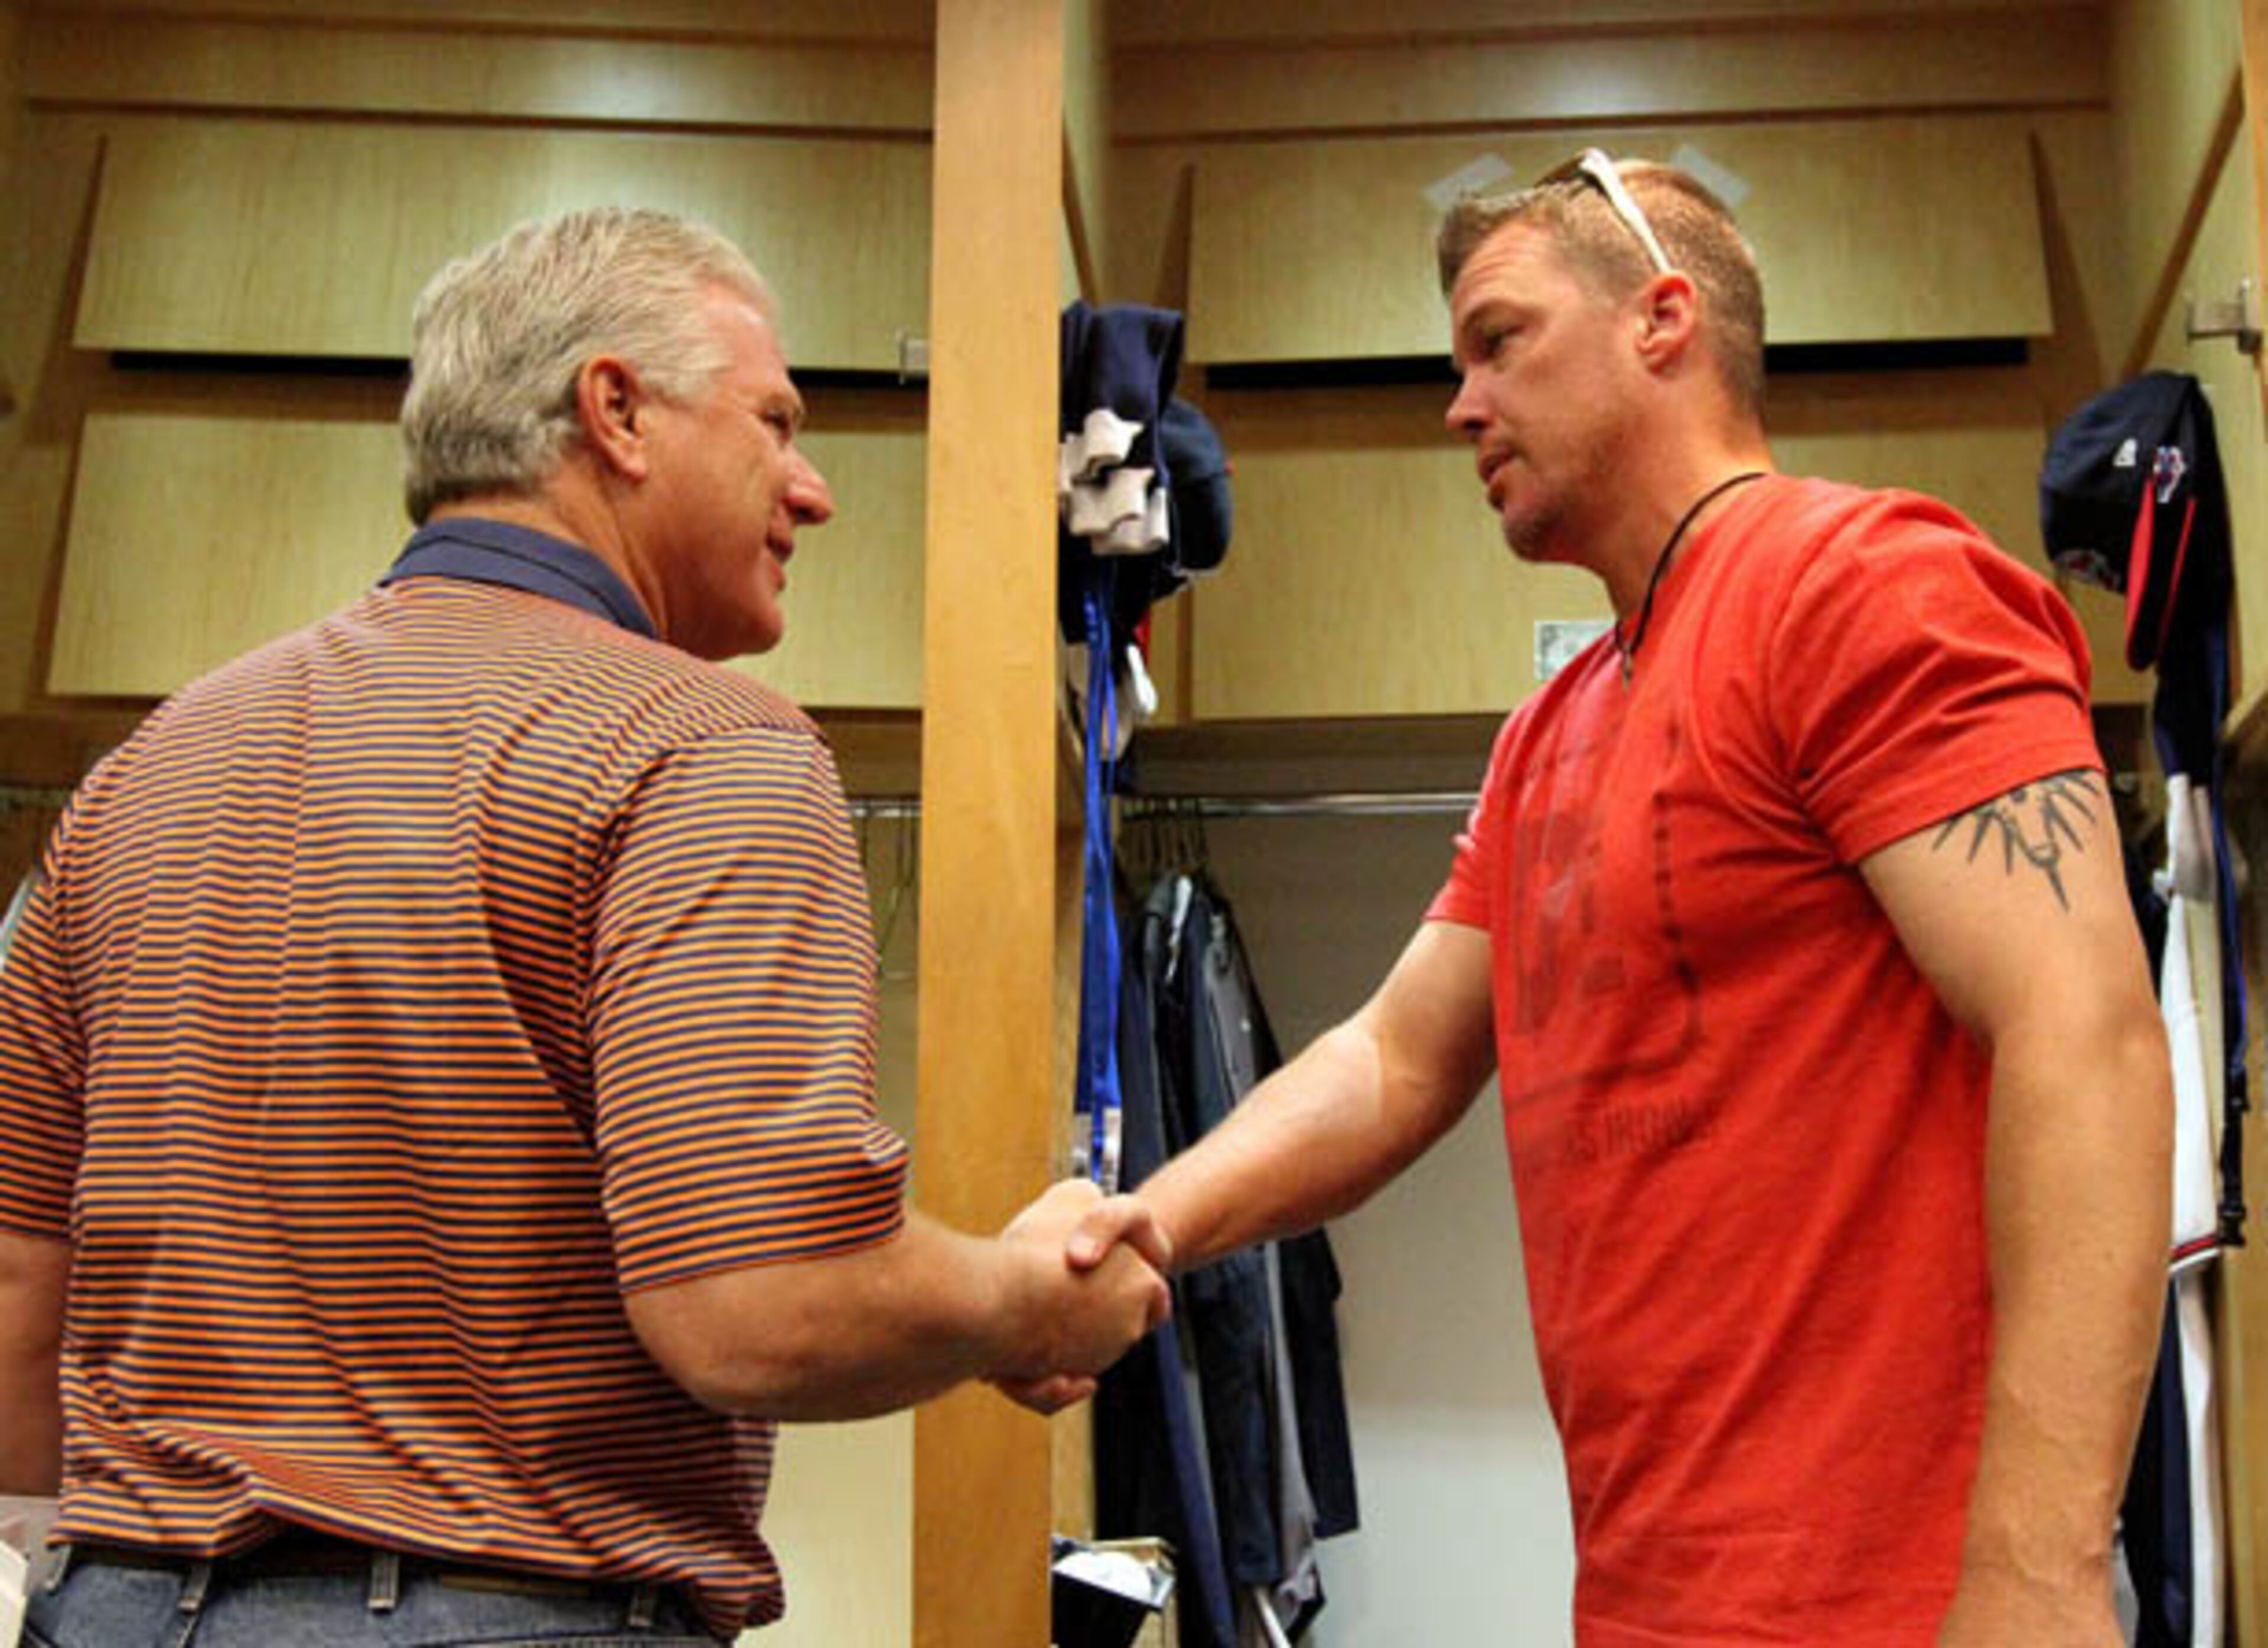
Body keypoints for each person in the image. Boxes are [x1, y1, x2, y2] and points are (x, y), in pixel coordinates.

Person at [0, 206, 1168, 1648]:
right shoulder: (703, 745)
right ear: (614, 410)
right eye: (776, 421)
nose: (813, 492)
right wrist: (1021, 1301)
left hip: (100, 1608)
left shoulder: (143, 775)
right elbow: (758, 1299)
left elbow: (17, 1296)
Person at [1062, 153, 2173, 1645]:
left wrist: (2037, 1580)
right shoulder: (1552, 730)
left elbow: (2087, 1036)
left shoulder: (1865, 586)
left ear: (1664, 320)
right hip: (1654, 1596)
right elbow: (1394, 1060)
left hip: (1907, 1602)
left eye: (1497, 341)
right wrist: (1142, 1224)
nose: (1461, 404)